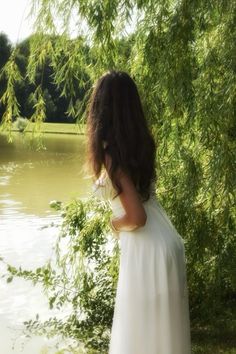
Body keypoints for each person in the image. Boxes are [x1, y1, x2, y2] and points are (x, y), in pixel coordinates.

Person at [87, 70, 191, 354]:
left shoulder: (112, 156)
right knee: (160, 335)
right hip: (166, 241)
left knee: (141, 334)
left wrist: (114, 223)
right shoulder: (140, 144)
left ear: (102, 108)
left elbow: (136, 217)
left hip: (147, 247)